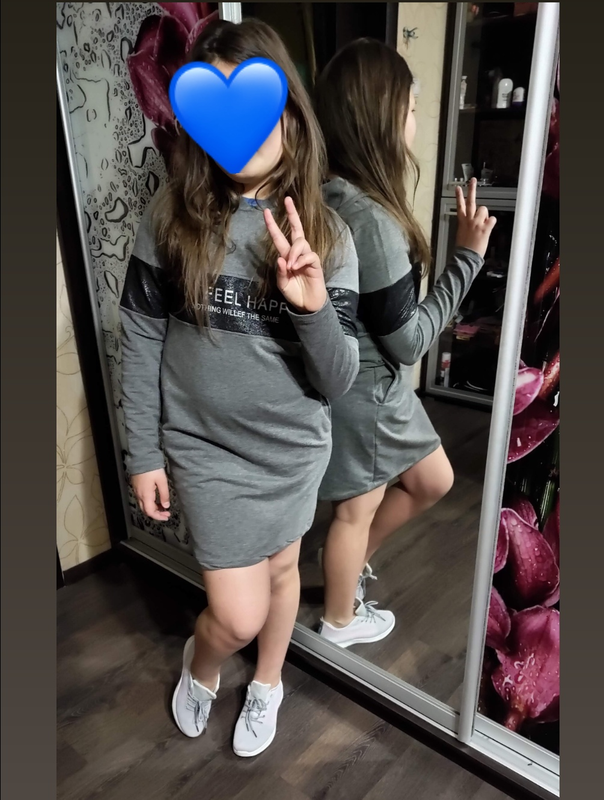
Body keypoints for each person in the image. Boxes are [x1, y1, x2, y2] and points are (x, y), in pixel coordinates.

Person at [118, 18, 360, 756]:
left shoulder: (330, 235)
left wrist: (312, 307)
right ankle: (205, 661)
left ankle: (269, 684)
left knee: (284, 570)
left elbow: (337, 380)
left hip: (293, 451)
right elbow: (140, 337)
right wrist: (143, 453)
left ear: (289, 112)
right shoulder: (171, 219)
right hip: (207, 451)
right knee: (234, 613)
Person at [313, 38, 497, 648]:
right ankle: (338, 622)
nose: (417, 121)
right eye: (413, 109)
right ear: (383, 119)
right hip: (367, 394)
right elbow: (410, 341)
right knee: (354, 511)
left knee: (432, 478)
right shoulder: (370, 221)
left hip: (371, 389)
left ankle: (347, 573)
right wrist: (468, 258)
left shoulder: (331, 194)